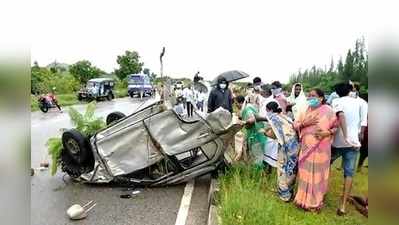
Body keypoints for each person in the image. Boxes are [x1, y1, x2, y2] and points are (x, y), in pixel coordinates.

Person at [293, 88, 338, 211]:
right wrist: (304, 124)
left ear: (321, 98)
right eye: (309, 95)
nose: (310, 98)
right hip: (306, 148)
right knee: (305, 173)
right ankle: (302, 199)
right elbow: (295, 124)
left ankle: (315, 201)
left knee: (318, 175)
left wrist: (326, 133)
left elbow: (335, 128)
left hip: (321, 149)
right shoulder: (305, 110)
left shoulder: (328, 111)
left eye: (313, 96)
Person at [330, 82, 365, 216]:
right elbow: (363, 122)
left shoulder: (337, 101)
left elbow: (341, 116)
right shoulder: (361, 103)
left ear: (337, 92)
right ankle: (343, 205)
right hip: (354, 143)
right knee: (349, 174)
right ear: (350, 90)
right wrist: (355, 137)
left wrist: (345, 136)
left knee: (326, 164)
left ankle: (319, 194)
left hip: (339, 142)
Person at [261, 101, 299, 202]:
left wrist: (265, 133)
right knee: (292, 169)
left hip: (285, 148)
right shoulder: (285, 117)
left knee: (282, 169)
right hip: (295, 146)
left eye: (266, 111)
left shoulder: (274, 119)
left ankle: (285, 195)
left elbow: (274, 135)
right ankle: (290, 192)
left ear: (269, 110)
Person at [234, 95, 267, 169]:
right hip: (255, 133)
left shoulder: (248, 109)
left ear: (241, 102)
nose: (236, 106)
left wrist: (244, 122)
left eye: (236, 104)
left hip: (255, 135)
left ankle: (258, 173)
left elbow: (252, 119)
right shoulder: (248, 107)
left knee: (257, 154)